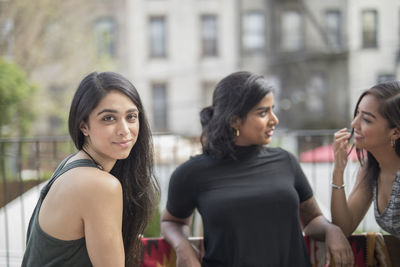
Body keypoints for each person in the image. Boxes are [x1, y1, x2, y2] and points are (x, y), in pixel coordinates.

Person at [161, 71, 353, 267]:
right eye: (263, 112)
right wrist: (183, 249)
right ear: (234, 120)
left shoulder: (286, 161)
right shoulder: (192, 173)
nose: (274, 120)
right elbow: (171, 222)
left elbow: (312, 220)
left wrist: (332, 230)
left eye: (272, 110)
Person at [22, 71, 159, 267]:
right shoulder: (98, 184)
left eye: (131, 117)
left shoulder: (72, 164)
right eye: (109, 118)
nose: (124, 130)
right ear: (83, 126)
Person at [331, 81, 400, 239]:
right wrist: (338, 171)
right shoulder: (371, 166)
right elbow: (343, 228)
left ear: (395, 132)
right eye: (357, 114)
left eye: (367, 120)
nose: (354, 124)